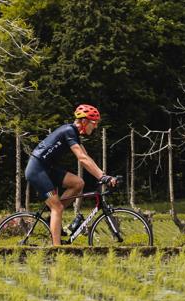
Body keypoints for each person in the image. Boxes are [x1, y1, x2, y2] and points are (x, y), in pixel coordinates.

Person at [26, 105, 117, 246]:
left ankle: (53, 217)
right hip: (37, 170)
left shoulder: (74, 133)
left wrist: (104, 175)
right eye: (94, 123)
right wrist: (101, 177)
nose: (96, 127)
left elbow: (86, 157)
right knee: (58, 207)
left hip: (47, 169)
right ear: (85, 121)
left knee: (78, 183)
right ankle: (57, 249)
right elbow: (81, 158)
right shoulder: (69, 131)